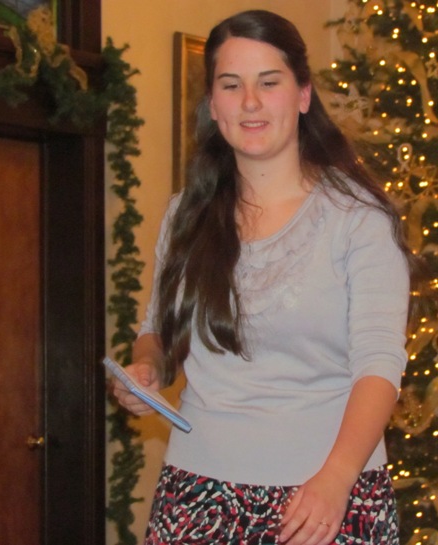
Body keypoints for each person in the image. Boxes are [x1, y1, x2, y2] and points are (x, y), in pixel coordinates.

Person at [113, 9, 420, 545]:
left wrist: (336, 480)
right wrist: (145, 370)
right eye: (231, 85)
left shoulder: (358, 220)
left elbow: (379, 366)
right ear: (214, 104)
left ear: (303, 95)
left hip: (323, 499)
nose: (250, 102)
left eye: (269, 82)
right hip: (195, 493)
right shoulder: (186, 214)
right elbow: (155, 329)